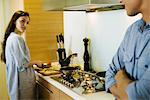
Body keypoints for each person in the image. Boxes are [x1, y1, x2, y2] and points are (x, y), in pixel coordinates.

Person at [105, 0, 150, 100]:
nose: (120, 0)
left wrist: (121, 77)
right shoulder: (132, 30)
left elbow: (139, 95)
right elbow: (109, 76)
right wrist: (127, 93)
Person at [1, 10, 43, 100]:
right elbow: (22, 64)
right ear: (14, 21)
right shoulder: (17, 39)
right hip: (22, 84)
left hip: (16, 84)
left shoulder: (11, 38)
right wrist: (36, 62)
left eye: (27, 22)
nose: (25, 25)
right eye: (22, 21)